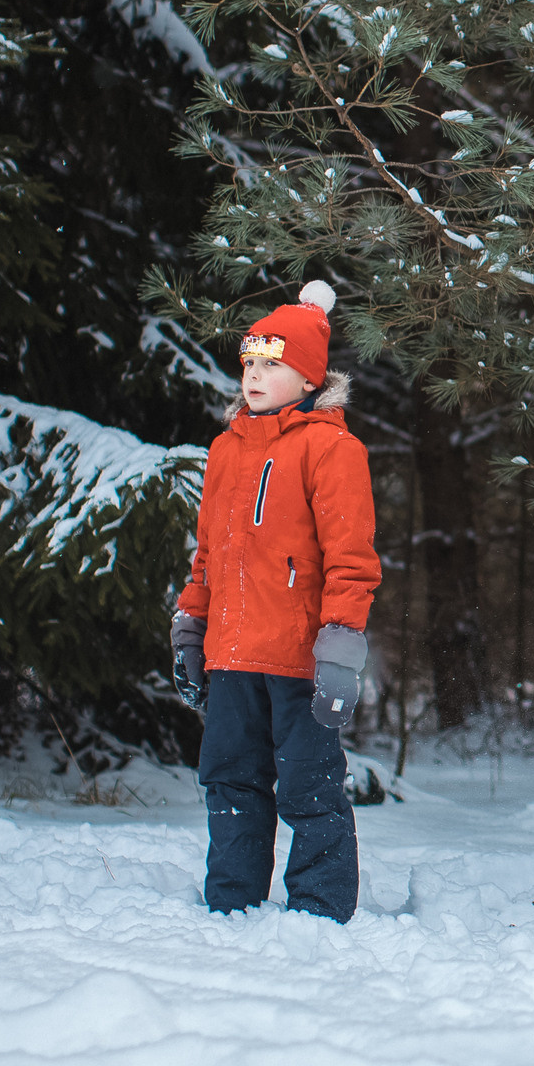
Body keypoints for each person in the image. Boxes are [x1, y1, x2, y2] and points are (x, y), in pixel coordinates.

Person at [168, 281, 378, 923]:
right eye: (250, 363)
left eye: (273, 365)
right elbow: (207, 553)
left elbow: (351, 560)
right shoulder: (227, 449)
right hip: (232, 655)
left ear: (309, 375)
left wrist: (340, 648)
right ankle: (232, 901)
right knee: (229, 782)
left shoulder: (332, 449)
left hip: (298, 660)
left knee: (311, 788)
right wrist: (191, 627)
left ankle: (319, 907)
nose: (255, 376)